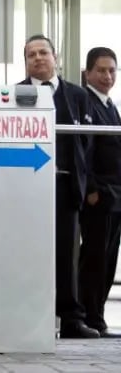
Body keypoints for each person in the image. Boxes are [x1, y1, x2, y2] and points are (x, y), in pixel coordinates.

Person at [19, 34, 98, 338]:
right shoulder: (15, 94)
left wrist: (85, 181)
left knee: (67, 253)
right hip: (27, 188)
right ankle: (29, 316)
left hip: (66, 186)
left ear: (55, 57)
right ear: (25, 62)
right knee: (28, 251)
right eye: (31, 55)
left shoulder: (77, 95)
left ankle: (70, 319)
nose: (38, 58)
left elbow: (86, 142)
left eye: (43, 53)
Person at [79, 47, 121, 338]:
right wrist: (91, 189)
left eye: (112, 71)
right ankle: (89, 316)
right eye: (101, 70)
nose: (107, 76)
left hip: (115, 194)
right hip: (99, 194)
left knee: (108, 258)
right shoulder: (86, 103)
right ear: (88, 73)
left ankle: (98, 315)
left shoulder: (110, 106)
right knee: (93, 257)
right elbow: (83, 149)